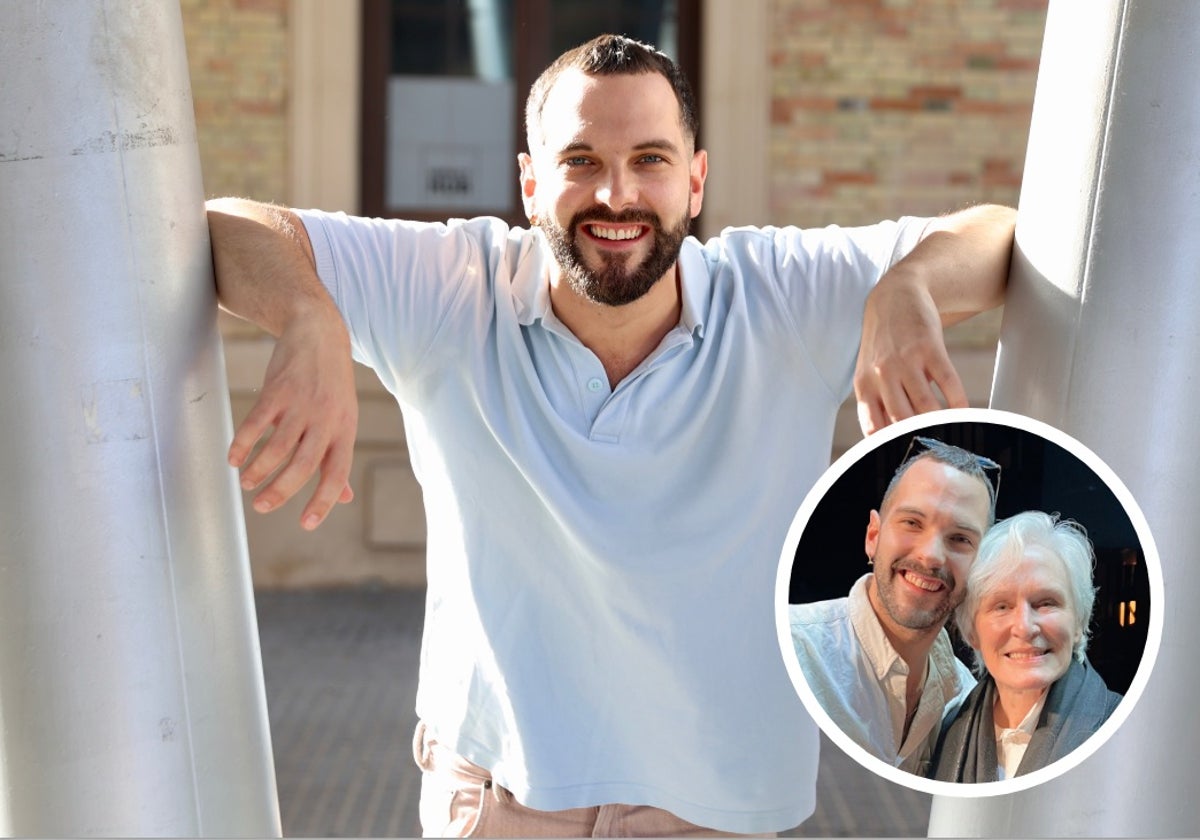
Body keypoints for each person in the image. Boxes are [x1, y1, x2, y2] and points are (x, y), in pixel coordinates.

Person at [207, 34, 1015, 836]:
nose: (617, 195)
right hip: (499, 805)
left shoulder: (780, 296)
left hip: (715, 816)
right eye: (581, 161)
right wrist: (309, 313)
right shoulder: (453, 288)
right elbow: (228, 227)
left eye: (652, 160)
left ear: (696, 180)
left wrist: (908, 283)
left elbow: (999, 234)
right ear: (529, 182)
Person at [788, 437, 997, 775]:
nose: (930, 555)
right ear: (873, 536)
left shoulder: (967, 703)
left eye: (960, 538)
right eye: (912, 523)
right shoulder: (791, 648)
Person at [931, 511, 1122, 783]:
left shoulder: (1132, 729)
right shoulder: (945, 730)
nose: (1024, 626)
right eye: (1002, 606)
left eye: (1046, 603)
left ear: (1079, 620)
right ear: (972, 632)